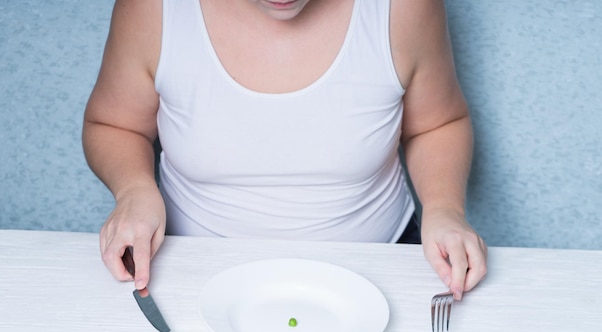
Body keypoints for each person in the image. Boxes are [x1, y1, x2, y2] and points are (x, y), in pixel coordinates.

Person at [83, 0, 487, 300]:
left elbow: (437, 124)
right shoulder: (154, 8)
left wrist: (445, 209)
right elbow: (114, 124)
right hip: (189, 270)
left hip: (380, 269)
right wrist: (135, 190)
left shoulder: (404, 7)